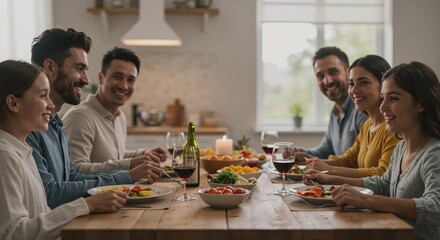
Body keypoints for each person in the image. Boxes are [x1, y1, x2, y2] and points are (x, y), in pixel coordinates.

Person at [26, 28, 162, 209]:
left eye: (131, 79)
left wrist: (130, 170)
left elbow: (71, 177)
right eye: (79, 68)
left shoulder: (55, 123)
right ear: (50, 67)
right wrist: (127, 175)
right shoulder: (28, 127)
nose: (85, 80)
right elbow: (49, 194)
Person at [304, 62, 440, 239]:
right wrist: (329, 178)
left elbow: (435, 208)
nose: (383, 107)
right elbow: (383, 184)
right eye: (383, 98)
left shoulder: (434, 153)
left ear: (420, 104)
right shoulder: (401, 148)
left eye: (393, 98)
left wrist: (365, 199)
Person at [0, 60, 127, 240]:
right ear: (14, 103)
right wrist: (85, 205)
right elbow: (13, 234)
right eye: (43, 96)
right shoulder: (5, 156)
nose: (51, 105)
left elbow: (42, 213)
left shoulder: (22, 150)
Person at [62, 47, 167, 174]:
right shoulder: (80, 117)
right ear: (101, 77)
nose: (124, 86)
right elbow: (76, 170)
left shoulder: (120, 117)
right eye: (117, 77)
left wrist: (144, 153)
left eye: (131, 79)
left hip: (118, 192)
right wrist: (129, 165)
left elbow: (115, 156)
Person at [305, 55, 400, 177]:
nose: (354, 90)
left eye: (363, 83)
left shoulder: (394, 128)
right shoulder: (368, 125)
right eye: (351, 83)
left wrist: (329, 170)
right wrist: (310, 163)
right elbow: (347, 160)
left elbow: (383, 174)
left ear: (384, 85)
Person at [295, 47, 368, 162]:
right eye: (320, 76)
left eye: (333, 72)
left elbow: (360, 163)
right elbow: (325, 150)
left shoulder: (363, 110)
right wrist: (300, 152)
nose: (327, 81)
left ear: (348, 73)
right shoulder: (335, 113)